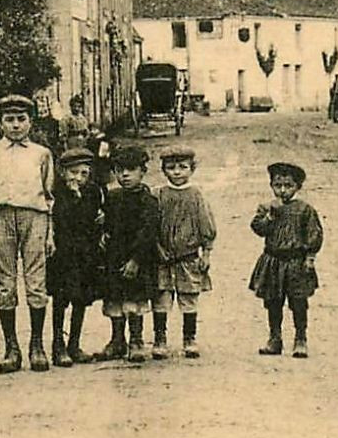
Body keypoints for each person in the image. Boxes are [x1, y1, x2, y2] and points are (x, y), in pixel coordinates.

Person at [0, 93, 57, 373]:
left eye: (21, 119)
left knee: (36, 282)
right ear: (1, 123)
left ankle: (37, 345)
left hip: (34, 217)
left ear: (31, 121)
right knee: (5, 283)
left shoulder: (41, 153)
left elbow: (50, 194)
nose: (16, 125)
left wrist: (50, 231)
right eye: (10, 120)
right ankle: (11, 348)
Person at [249, 161, 322, 359]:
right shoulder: (267, 207)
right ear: (271, 186)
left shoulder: (305, 209)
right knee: (273, 301)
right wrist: (269, 218)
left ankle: (300, 338)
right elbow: (257, 228)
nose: (283, 190)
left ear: (298, 187)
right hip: (273, 261)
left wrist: (310, 257)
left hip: (296, 263)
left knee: (298, 301)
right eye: (277, 185)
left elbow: (314, 234)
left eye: (288, 186)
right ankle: (275, 338)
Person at [98, 144, 159, 364]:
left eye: (131, 170)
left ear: (142, 171)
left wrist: (136, 259)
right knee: (115, 299)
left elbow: (148, 233)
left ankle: (136, 340)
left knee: (134, 299)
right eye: (119, 170)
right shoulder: (113, 198)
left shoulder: (148, 201)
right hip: (114, 258)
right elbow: (107, 222)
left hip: (138, 259)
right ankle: (117, 340)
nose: (124, 175)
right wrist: (103, 231)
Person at [154, 144, 216, 359]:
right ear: (163, 170)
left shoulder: (196, 195)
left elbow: (206, 225)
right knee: (161, 297)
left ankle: (189, 338)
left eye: (182, 167)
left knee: (189, 297)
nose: (177, 172)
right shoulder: (158, 194)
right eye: (171, 168)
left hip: (188, 258)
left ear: (192, 168)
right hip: (162, 258)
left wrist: (206, 253)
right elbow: (151, 225)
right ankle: (159, 338)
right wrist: (157, 248)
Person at [48, 145, 105, 367]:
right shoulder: (57, 194)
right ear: (62, 172)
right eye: (73, 172)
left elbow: (95, 218)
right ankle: (57, 345)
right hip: (62, 254)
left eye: (84, 173)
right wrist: (73, 196)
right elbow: (61, 219)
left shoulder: (93, 192)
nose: (78, 178)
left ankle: (74, 343)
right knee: (60, 299)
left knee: (81, 299)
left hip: (85, 254)